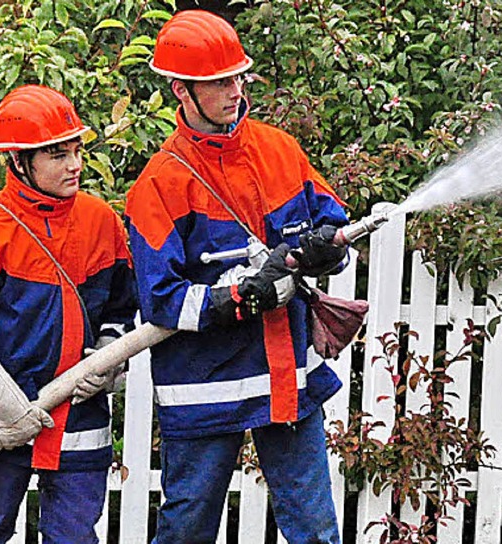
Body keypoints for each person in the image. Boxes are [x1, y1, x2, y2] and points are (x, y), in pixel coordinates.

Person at [125, 10, 350, 543]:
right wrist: (239, 298)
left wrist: (323, 251)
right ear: (181, 90)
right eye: (218, 81)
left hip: (285, 377)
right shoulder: (159, 185)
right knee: (187, 530)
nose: (234, 89)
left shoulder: (278, 150)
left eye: (237, 76)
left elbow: (333, 228)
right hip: (203, 386)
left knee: (315, 531)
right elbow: (161, 300)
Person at [0, 84, 137, 543]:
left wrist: (109, 358)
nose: (74, 165)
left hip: (79, 420)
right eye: (57, 155)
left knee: (73, 537)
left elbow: (123, 307)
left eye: (76, 151)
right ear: (18, 161)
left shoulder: (100, 222)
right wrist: (4, 405)